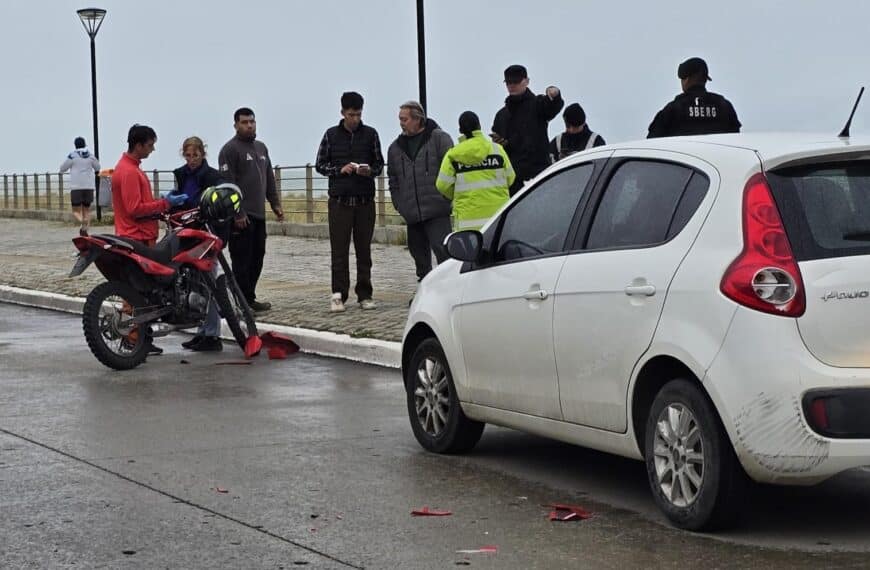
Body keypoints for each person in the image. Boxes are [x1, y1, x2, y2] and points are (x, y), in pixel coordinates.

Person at [111, 124, 187, 356]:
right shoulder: (130, 172)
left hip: (135, 234)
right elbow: (135, 208)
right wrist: (166, 204)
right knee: (137, 294)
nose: (152, 149)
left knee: (139, 293)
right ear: (139, 144)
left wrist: (159, 205)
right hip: (137, 237)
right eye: (150, 145)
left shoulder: (127, 168)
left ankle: (141, 338)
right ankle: (134, 340)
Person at [315, 91, 384, 313]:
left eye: (358, 114)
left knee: (364, 250)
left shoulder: (371, 134)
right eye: (351, 114)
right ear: (343, 112)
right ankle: (338, 294)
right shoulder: (330, 135)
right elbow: (320, 165)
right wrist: (339, 170)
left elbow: (379, 165)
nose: (355, 118)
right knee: (339, 250)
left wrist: (369, 171)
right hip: (339, 201)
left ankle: (365, 294)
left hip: (364, 200)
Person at [218, 107, 284, 313]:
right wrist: (238, 213)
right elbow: (228, 185)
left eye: (252, 122)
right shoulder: (229, 150)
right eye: (245, 122)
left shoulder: (261, 148)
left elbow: (269, 178)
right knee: (241, 260)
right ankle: (239, 301)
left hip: (259, 215)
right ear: (236, 125)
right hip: (241, 218)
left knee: (258, 257)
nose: (249, 125)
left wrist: (275, 204)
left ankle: (249, 297)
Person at [387, 101, 454, 282]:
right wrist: (400, 204)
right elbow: (393, 179)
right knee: (419, 257)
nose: (401, 123)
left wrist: (445, 199)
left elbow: (452, 170)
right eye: (400, 119)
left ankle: (448, 288)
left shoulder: (440, 139)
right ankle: (425, 290)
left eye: (405, 119)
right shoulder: (395, 148)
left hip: (437, 210)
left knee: (444, 252)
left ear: (418, 119)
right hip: (412, 213)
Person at [173, 136, 225, 352]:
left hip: (206, 231)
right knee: (195, 284)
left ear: (203, 154)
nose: (191, 160)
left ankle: (213, 333)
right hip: (186, 230)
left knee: (210, 282)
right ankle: (202, 331)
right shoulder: (181, 174)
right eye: (188, 155)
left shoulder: (213, 176)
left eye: (195, 155)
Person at [491, 64, 563, 196]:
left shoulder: (538, 105)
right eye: (508, 82)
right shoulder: (501, 115)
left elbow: (552, 106)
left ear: (526, 81)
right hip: (513, 182)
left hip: (539, 176)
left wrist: (555, 94)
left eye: (516, 81)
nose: (512, 85)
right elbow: (497, 149)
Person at [436, 111, 514, 231]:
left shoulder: (453, 155)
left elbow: (442, 185)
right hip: (497, 219)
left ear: (460, 130)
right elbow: (510, 178)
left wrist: (458, 195)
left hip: (467, 221)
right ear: (479, 126)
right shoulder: (497, 150)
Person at [647, 57, 741, 138]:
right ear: (705, 80)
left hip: (681, 158)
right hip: (719, 158)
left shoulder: (672, 109)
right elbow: (735, 139)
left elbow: (652, 143)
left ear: (686, 79)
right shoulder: (724, 106)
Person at [59, 136, 100, 236]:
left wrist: (63, 171)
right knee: (86, 209)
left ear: (75, 145)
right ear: (85, 144)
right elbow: (98, 167)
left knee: (76, 211)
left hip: (76, 186)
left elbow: (63, 168)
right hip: (89, 186)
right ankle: (85, 230)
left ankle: (82, 221)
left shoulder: (72, 156)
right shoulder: (90, 155)